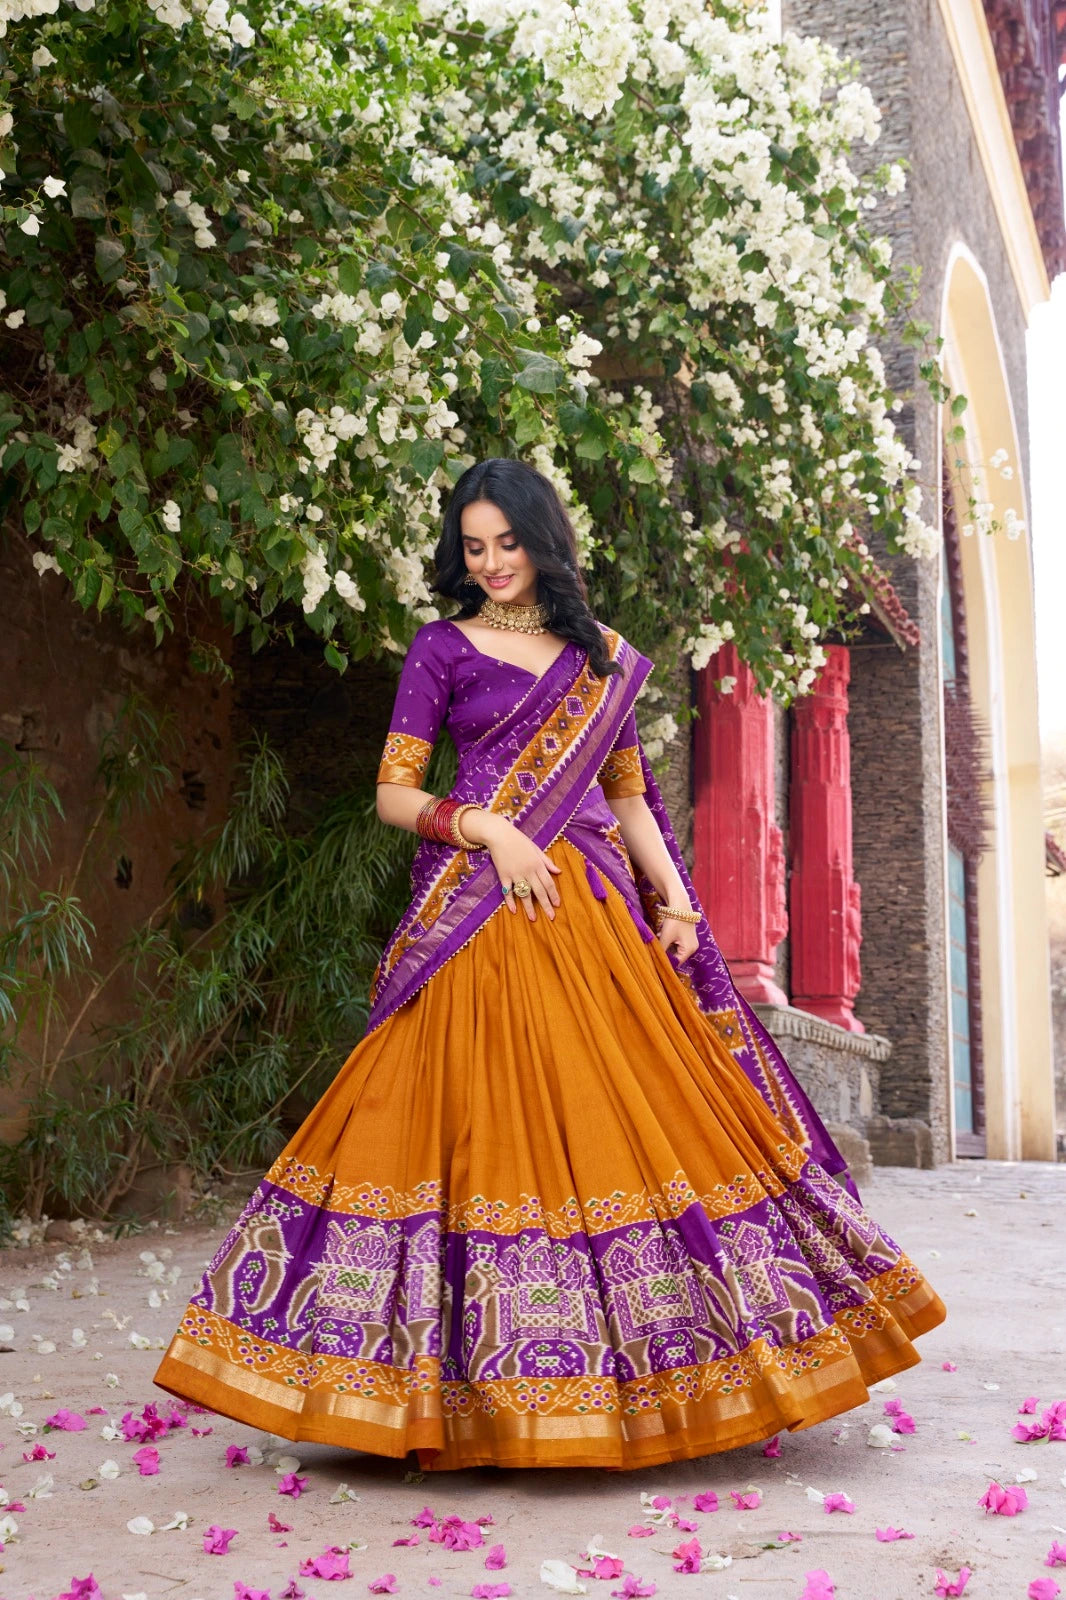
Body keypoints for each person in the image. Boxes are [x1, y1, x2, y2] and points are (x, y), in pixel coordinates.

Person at [153, 457, 946, 1471]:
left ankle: (641, 1378)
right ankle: (442, 1389)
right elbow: (395, 794)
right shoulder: (441, 649)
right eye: (473, 546)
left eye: (507, 542)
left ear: (544, 541)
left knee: (625, 1119)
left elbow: (626, 794)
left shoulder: (603, 659)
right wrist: (488, 830)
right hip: (479, 913)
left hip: (594, 914)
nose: (489, 562)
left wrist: (679, 902)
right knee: (451, 1126)